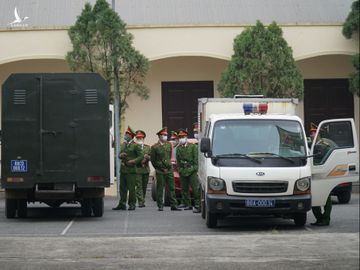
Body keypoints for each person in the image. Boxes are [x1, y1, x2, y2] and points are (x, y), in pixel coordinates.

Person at [150, 127, 181, 211]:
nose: (165, 136)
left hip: (169, 170)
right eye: (164, 135)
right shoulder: (154, 147)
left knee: (172, 188)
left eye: (166, 135)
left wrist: (168, 166)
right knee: (160, 188)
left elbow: (169, 157)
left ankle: (174, 205)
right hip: (160, 171)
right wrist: (160, 168)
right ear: (159, 136)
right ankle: (160, 205)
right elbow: (153, 160)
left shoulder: (168, 144)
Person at [113, 126, 143, 211]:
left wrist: (134, 161)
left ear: (131, 136)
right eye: (126, 133)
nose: (125, 135)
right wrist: (120, 155)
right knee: (122, 188)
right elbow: (119, 154)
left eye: (127, 134)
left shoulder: (135, 146)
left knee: (131, 189)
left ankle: (132, 204)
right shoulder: (123, 144)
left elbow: (141, 156)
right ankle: (122, 204)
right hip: (123, 170)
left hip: (131, 170)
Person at [310, 127, 336, 226]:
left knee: (327, 199)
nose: (312, 135)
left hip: (324, 174)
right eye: (311, 133)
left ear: (318, 134)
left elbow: (331, 154)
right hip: (314, 174)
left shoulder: (324, 145)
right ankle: (319, 219)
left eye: (314, 133)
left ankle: (326, 219)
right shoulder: (311, 145)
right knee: (314, 198)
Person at [176, 128, 201, 213]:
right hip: (183, 170)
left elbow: (196, 159)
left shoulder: (192, 146)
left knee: (195, 188)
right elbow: (178, 160)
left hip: (191, 170)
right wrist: (179, 169)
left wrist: (194, 168)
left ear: (186, 137)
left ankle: (198, 205)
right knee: (184, 188)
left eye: (183, 136)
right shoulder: (179, 148)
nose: (181, 138)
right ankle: (187, 204)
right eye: (180, 137)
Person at [134, 130, 151, 208]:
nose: (139, 139)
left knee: (144, 186)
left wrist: (148, 158)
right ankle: (140, 201)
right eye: (138, 138)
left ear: (143, 138)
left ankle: (142, 199)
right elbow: (133, 158)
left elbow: (151, 157)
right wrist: (141, 160)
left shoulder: (147, 147)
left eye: (141, 137)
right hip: (137, 169)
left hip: (146, 169)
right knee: (139, 186)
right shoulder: (134, 147)